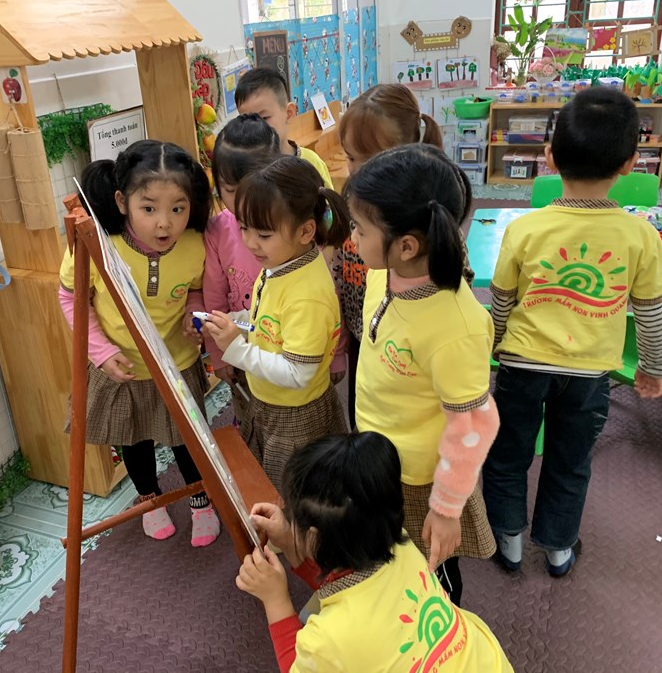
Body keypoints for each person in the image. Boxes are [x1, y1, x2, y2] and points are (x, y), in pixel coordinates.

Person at [483, 87, 662, 577]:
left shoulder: (524, 229)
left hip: (522, 367)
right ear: (630, 163)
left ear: (549, 157)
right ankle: (559, 548)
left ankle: (508, 541)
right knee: (570, 462)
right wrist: (654, 368)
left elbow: (501, 301)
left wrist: (493, 348)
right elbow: (653, 313)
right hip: (589, 376)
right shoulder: (641, 235)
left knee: (506, 455)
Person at [346, 144, 498, 606]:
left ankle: (442, 631)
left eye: (360, 229)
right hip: (380, 455)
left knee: (435, 573)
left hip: (423, 479)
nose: (352, 237)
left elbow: (473, 425)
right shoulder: (383, 272)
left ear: (407, 245)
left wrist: (447, 509)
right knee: (391, 556)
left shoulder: (457, 326)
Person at [236, 432, 514, 673]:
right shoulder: (396, 542)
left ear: (315, 537)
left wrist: (276, 600)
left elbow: (296, 665)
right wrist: (290, 540)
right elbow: (341, 579)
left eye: (295, 518)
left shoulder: (329, 638)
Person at [58, 140, 220, 546]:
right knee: (134, 441)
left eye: (178, 209)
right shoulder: (97, 244)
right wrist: (101, 352)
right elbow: (71, 297)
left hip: (177, 362)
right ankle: (150, 500)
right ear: (122, 201)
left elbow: (196, 289)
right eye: (149, 209)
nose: (164, 224)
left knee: (187, 440)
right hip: (123, 367)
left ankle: (200, 500)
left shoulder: (195, 244)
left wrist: (193, 313)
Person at [202, 157, 349, 489]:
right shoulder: (281, 264)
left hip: (295, 414)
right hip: (272, 402)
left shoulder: (306, 295)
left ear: (305, 231)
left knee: (293, 494)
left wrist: (235, 349)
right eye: (243, 228)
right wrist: (238, 321)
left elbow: (298, 373)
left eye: (264, 234)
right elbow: (268, 321)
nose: (250, 242)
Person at [332, 83, 472, 428]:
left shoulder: (428, 222)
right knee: (364, 409)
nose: (356, 170)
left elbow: (457, 282)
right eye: (350, 157)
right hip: (365, 329)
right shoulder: (357, 198)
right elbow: (339, 257)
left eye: (367, 159)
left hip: (409, 345)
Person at [198, 113, 280, 451]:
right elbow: (214, 299)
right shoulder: (218, 230)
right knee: (251, 425)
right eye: (231, 191)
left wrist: (337, 354)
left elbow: (324, 293)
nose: (243, 201)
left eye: (252, 187)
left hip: (288, 349)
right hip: (240, 350)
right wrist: (219, 355)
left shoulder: (291, 223)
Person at [235, 68, 333, 189]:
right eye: (246, 120)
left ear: (289, 113)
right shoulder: (246, 170)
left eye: (264, 118)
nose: (256, 127)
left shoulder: (312, 162)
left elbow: (329, 199)